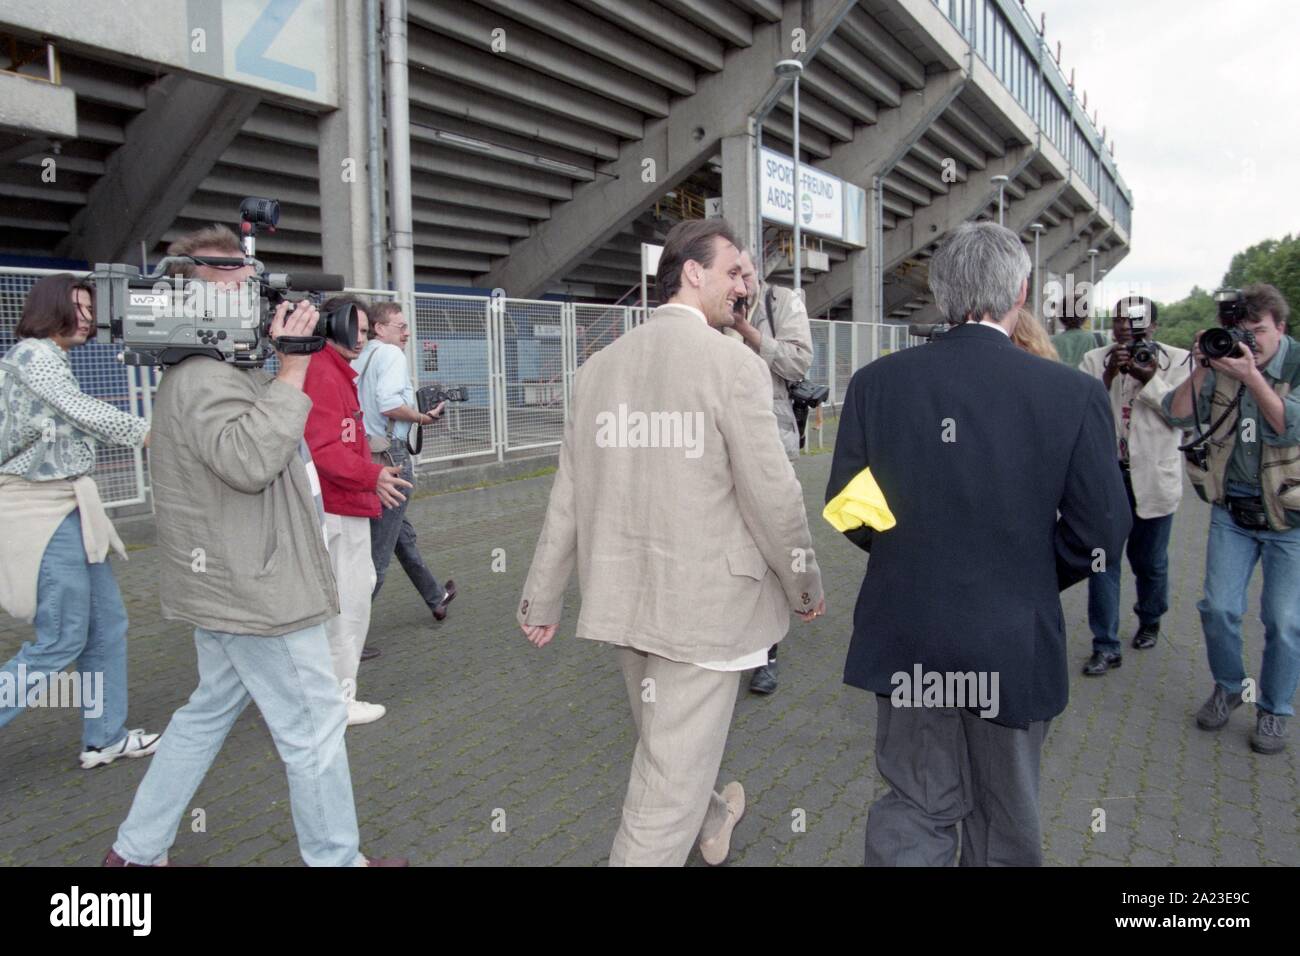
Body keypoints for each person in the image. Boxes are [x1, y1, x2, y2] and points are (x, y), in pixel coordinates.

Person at [517, 219, 824, 866]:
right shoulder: (732, 365)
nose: (744, 288)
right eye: (734, 272)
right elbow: (773, 496)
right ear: (692, 272)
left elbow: (568, 493)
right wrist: (803, 583)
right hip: (708, 611)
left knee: (668, 747)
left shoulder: (598, 369)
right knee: (658, 802)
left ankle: (713, 818)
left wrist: (542, 597)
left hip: (626, 601)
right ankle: (689, 822)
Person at [828, 221, 1130, 866]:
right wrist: (1028, 575)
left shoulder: (876, 384)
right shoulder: (1072, 393)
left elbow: (850, 508)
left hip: (909, 631)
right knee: (1004, 815)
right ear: (1020, 291)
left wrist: (910, 556)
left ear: (940, 292)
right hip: (1013, 637)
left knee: (915, 802)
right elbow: (1103, 530)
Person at [108, 227, 404, 865]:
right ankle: (336, 860)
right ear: (193, 303)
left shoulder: (209, 373)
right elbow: (248, 461)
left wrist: (279, 368)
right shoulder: (206, 379)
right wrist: (293, 366)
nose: (256, 304)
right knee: (315, 728)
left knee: (206, 713)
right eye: (237, 290)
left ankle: (134, 854)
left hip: (230, 583)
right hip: (257, 589)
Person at [0, 274, 159, 768]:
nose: (89, 319)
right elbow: (82, 411)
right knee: (62, 637)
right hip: (39, 508)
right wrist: (157, 433)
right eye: (79, 308)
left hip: (69, 507)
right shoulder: (33, 355)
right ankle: (104, 735)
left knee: (106, 625)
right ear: (50, 308)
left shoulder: (49, 358)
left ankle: (105, 737)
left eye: (91, 309)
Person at [1164, 283, 1300, 754]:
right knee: (1218, 608)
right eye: (1243, 331)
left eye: (1260, 332)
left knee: (1283, 621)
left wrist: (1252, 377)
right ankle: (1228, 686)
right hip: (1233, 509)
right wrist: (1201, 367)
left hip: (1289, 516)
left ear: (1281, 328)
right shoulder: (1221, 364)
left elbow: (1288, 426)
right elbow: (1176, 416)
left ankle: (1274, 710)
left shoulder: (1296, 365)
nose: (1251, 342)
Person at [304, 295, 411, 725]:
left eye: (367, 332)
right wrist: (372, 476)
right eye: (360, 330)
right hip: (337, 506)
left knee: (352, 594)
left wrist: (370, 478)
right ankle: (337, 700)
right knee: (347, 605)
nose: (363, 340)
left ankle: (328, 696)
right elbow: (323, 447)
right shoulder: (323, 373)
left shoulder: (332, 371)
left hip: (345, 502)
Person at [1078, 298, 1189, 676]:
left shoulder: (1179, 361)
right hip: (1108, 477)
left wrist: (1150, 380)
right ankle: (1105, 645)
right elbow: (1079, 411)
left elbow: (1183, 416)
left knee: (1150, 562)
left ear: (1153, 326)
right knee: (1102, 562)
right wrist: (1108, 376)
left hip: (1154, 479)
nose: (1125, 326)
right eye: (1119, 319)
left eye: (1135, 320)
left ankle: (1150, 618)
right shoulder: (1095, 360)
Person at [729, 250, 813, 696]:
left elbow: (799, 364)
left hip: (772, 444)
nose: (739, 284)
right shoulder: (710, 307)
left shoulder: (782, 304)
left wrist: (748, 332)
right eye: (731, 274)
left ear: (756, 273)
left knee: (771, 545)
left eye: (745, 273)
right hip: (721, 444)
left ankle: (767, 655)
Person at [353, 301, 455, 654]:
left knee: (399, 533)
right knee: (378, 552)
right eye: (400, 326)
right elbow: (388, 405)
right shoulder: (391, 356)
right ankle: (348, 637)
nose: (406, 333)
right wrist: (425, 418)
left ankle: (435, 595)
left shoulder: (359, 358)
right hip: (392, 455)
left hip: (366, 453)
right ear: (380, 328)